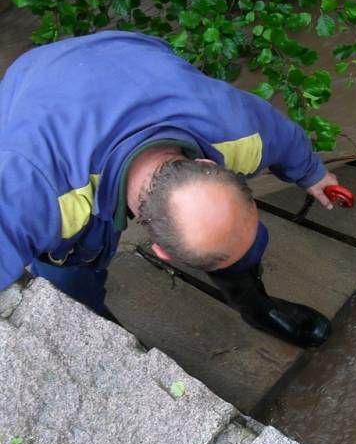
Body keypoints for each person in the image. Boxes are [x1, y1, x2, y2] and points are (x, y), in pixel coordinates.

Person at [0, 31, 338, 348]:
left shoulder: (233, 127)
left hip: (129, 52)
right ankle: (104, 339)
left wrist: (312, 174)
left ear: (210, 164)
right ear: (159, 250)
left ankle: (257, 308)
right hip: (34, 82)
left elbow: (282, 134)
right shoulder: (34, 189)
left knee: (228, 240)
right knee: (69, 277)